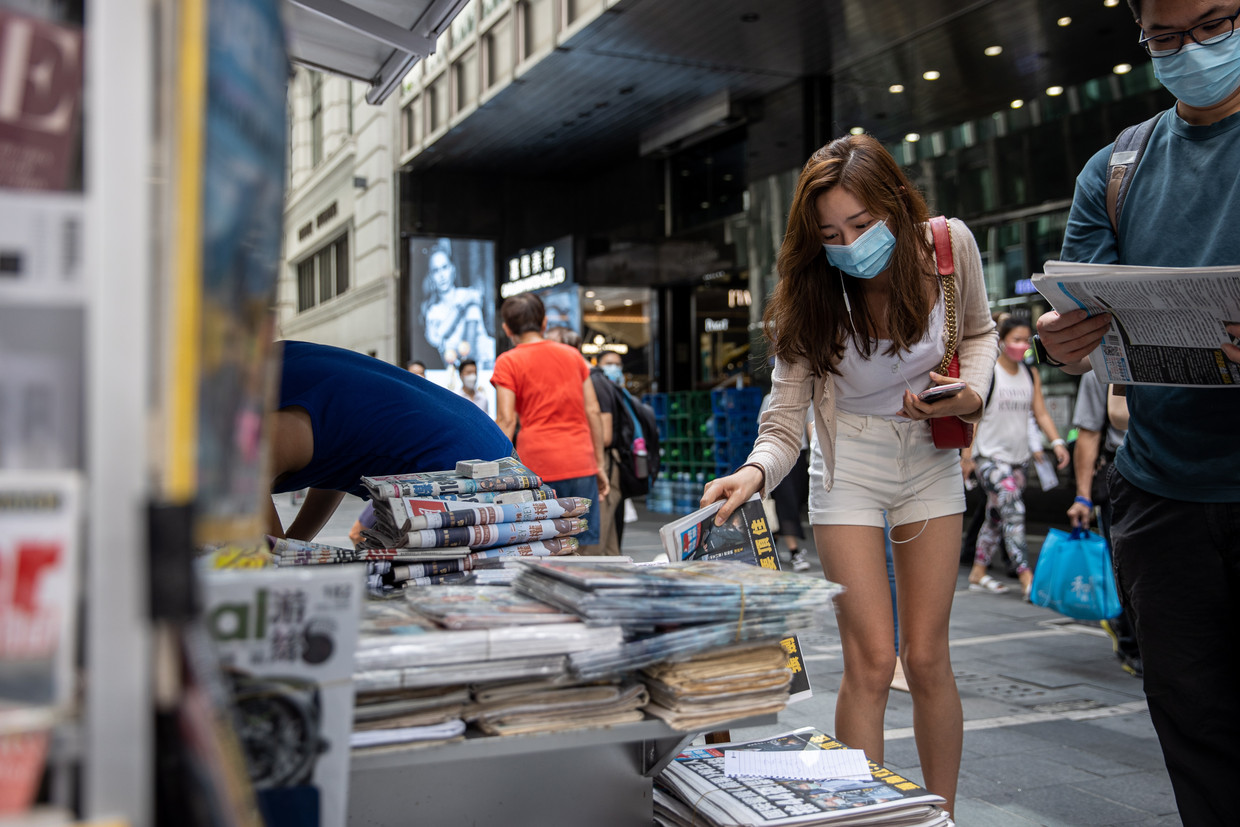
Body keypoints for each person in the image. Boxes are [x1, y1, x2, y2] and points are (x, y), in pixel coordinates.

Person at [701, 134, 997, 816]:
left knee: (928, 657)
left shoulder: (948, 246)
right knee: (870, 661)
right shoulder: (810, 293)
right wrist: (754, 473)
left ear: (896, 202)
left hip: (930, 456)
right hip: (849, 463)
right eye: (831, 235)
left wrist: (969, 395)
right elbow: (784, 421)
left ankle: (942, 816)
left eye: (862, 225)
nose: (850, 244)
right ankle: (864, 819)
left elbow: (981, 333)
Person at [1036, 1, 1240, 821]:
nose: (1192, 49)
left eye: (1215, 24)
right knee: (1196, 731)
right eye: (1166, 36)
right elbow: (1083, 311)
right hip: (1163, 495)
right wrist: (1063, 340)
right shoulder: (1115, 169)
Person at [266, 340, 512, 541]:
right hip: (485, 443)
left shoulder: (260, 426)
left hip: (460, 470)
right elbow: (333, 459)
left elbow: (269, 566)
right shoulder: (281, 365)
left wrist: (285, 552)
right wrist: (294, 544)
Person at [960, 318, 1070, 599]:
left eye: (1025, 340)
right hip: (990, 457)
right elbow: (974, 415)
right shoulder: (990, 372)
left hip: (1018, 459)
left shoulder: (1029, 374)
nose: (1021, 346)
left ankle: (978, 571)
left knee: (997, 516)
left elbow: (1040, 412)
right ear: (1001, 341)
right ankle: (1026, 576)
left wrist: (1057, 442)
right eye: (1016, 340)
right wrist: (967, 455)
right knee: (1015, 510)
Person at [492, 293, 610, 546]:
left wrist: (493, 473)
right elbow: (592, 410)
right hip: (580, 461)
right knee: (581, 545)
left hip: (537, 466)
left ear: (507, 329)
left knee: (542, 546)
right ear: (544, 323)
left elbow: (506, 420)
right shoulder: (573, 356)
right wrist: (599, 464)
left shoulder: (507, 362)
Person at [1068, 371, 1142, 678]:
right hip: (1124, 474)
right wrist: (1083, 497)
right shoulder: (1099, 369)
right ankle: (1131, 644)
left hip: (1181, 477)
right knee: (1126, 567)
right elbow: (1088, 434)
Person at [418, 240, 497, 370]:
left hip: (486, 365)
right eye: (436, 270)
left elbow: (469, 350)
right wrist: (460, 307)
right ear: (431, 277)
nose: (442, 275)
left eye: (444, 267)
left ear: (452, 269)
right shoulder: (433, 311)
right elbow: (437, 336)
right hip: (457, 372)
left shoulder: (468, 295)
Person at [758, 390, 813, 572]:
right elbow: (763, 429)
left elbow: (811, 428)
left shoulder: (807, 399)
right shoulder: (770, 398)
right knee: (786, 502)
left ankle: (770, 550)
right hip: (777, 455)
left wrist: (817, 459)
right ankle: (794, 551)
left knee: (792, 502)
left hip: (799, 457)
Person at [584, 349, 624, 555]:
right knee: (609, 539)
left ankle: (593, 571)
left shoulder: (597, 384)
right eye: (609, 363)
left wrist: (598, 463)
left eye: (617, 364)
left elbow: (605, 436)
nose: (614, 368)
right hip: (608, 462)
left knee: (597, 537)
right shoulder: (607, 385)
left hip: (605, 462)